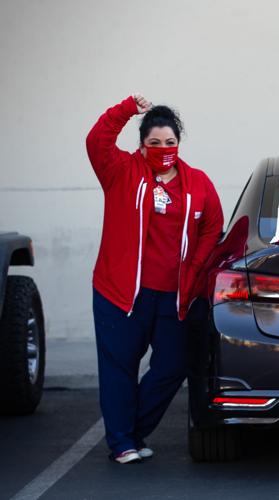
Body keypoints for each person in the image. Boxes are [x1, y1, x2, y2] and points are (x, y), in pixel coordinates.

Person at [86, 95, 223, 463]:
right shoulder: (121, 171)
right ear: (141, 145)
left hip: (174, 296)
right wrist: (127, 108)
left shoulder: (197, 183)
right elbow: (96, 140)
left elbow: (213, 226)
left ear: (178, 143)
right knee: (120, 367)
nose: (163, 149)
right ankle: (122, 443)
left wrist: (194, 268)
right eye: (154, 143)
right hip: (121, 293)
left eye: (170, 143)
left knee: (172, 366)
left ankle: (131, 430)